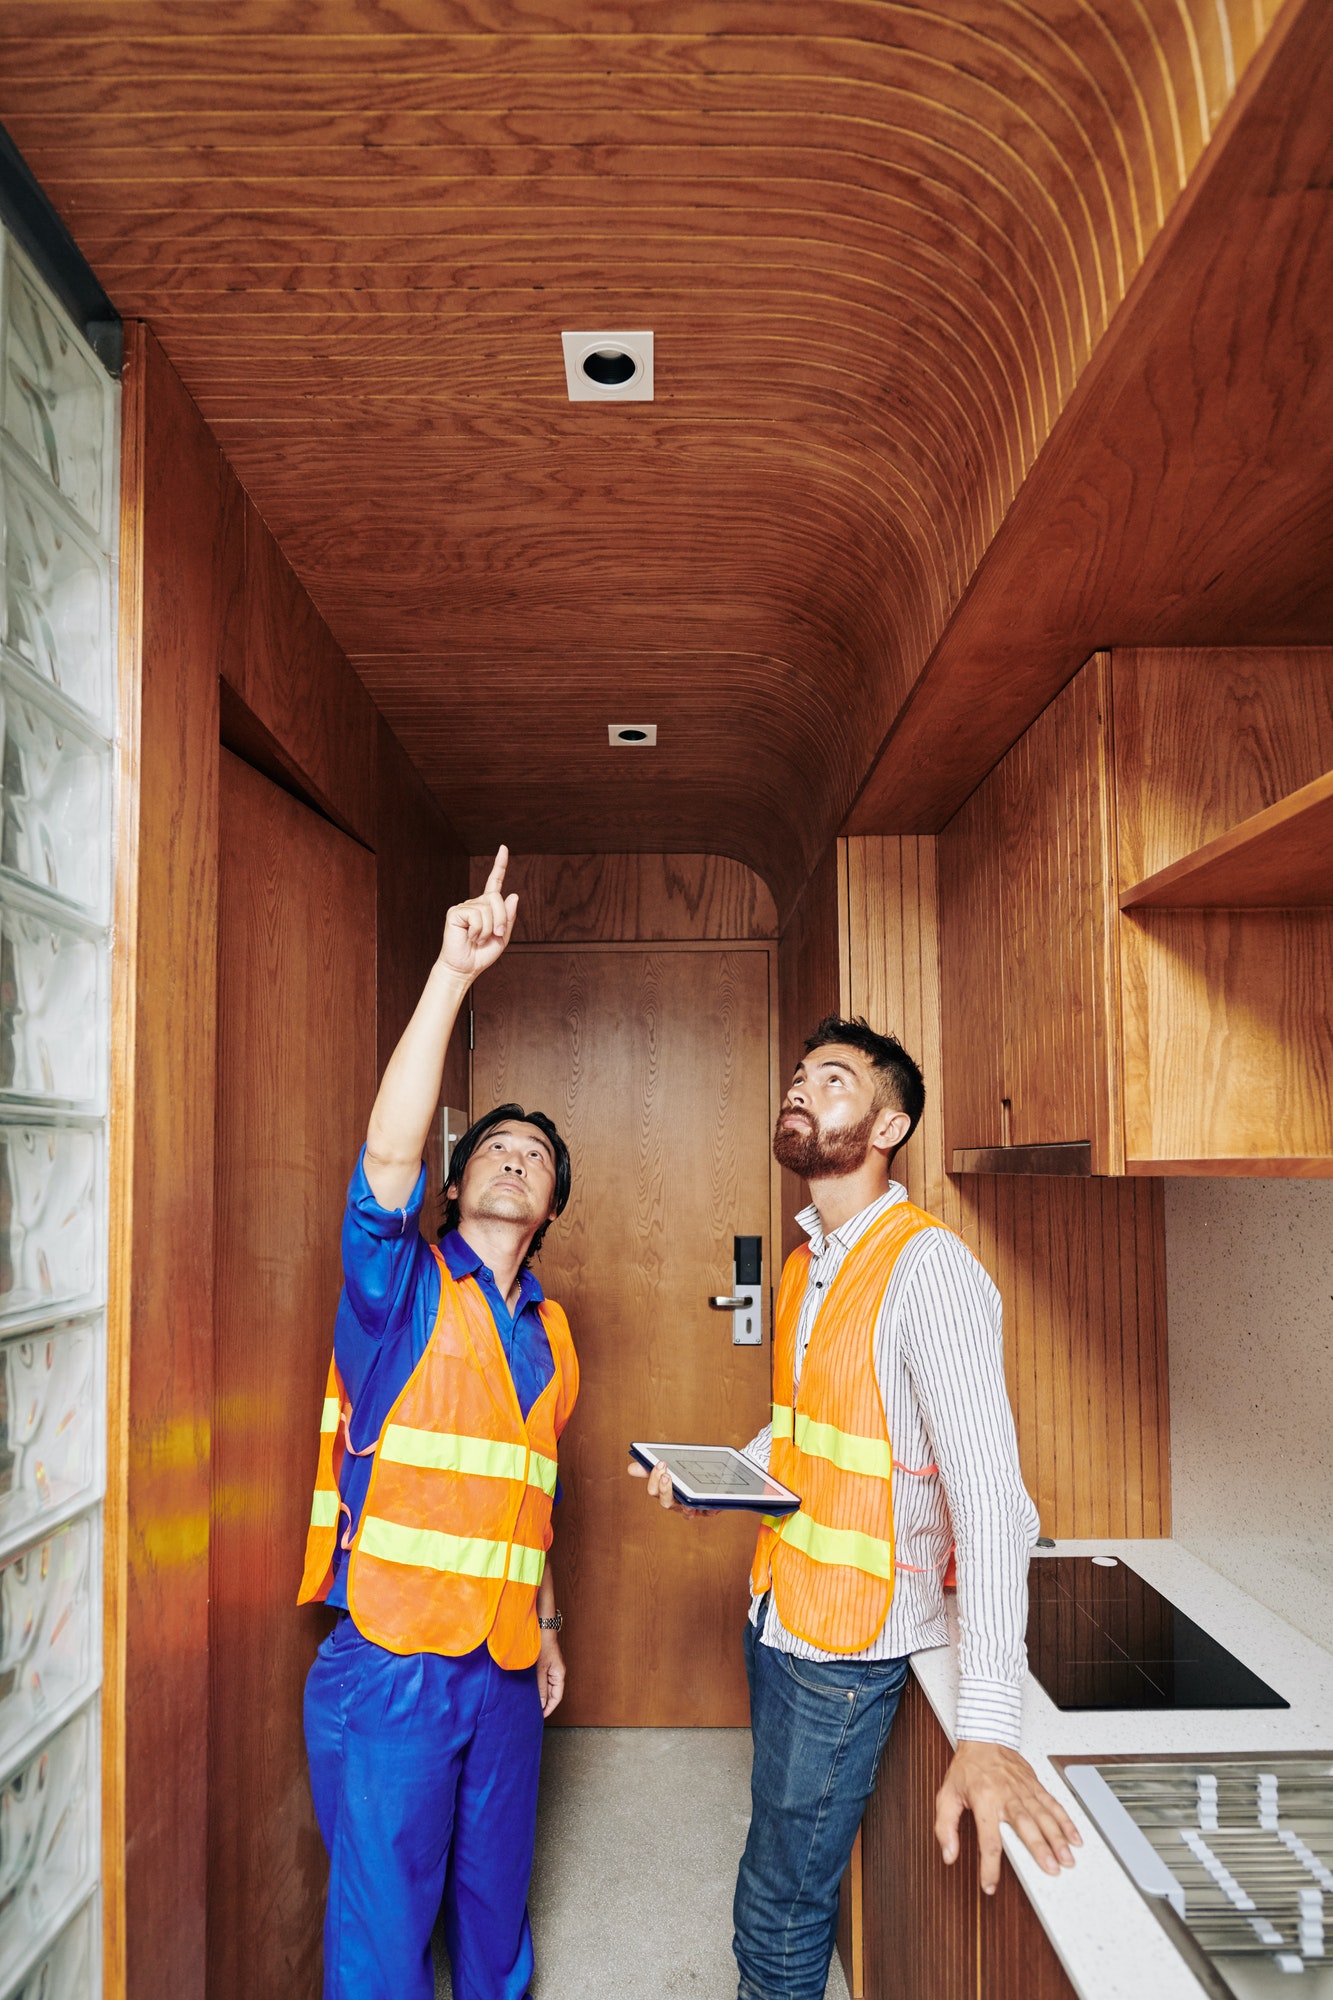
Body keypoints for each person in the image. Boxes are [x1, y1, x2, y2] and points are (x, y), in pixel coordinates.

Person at [631, 1014, 1080, 2000]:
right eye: (798, 1076)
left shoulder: (930, 1271)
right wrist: (726, 1474)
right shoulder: (808, 1261)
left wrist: (989, 1724)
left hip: (848, 1642)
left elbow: (994, 1502)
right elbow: (805, 1425)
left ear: (888, 1125)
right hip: (782, 1600)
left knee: (779, 1904)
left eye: (830, 1079)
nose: (800, 1088)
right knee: (781, 1867)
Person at [299, 848, 577, 2000]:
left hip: (506, 1663)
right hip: (394, 1658)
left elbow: (533, 1501)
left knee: (493, 1910)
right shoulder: (398, 1290)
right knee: (382, 1926)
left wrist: (550, 1626)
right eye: (496, 1151)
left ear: (551, 1206)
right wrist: (452, 975)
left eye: (540, 1159)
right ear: (457, 1189)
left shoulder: (553, 1333)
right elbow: (386, 1154)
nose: (516, 1159)